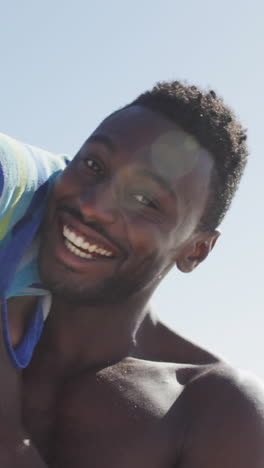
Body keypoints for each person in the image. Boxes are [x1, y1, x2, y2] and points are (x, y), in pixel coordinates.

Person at [0, 81, 263, 467]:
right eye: (93, 165)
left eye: (145, 200)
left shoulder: (216, 410)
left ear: (196, 250)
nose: (92, 207)